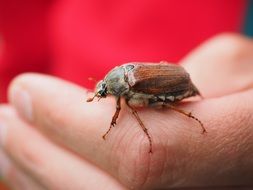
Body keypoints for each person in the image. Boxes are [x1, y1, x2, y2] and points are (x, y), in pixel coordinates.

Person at [0, 1, 253, 189]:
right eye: (103, 90)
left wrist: (140, 136)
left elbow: (125, 111)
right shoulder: (119, 78)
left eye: (105, 90)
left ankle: (190, 115)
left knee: (161, 105)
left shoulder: (127, 92)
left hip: (178, 85)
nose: (104, 93)